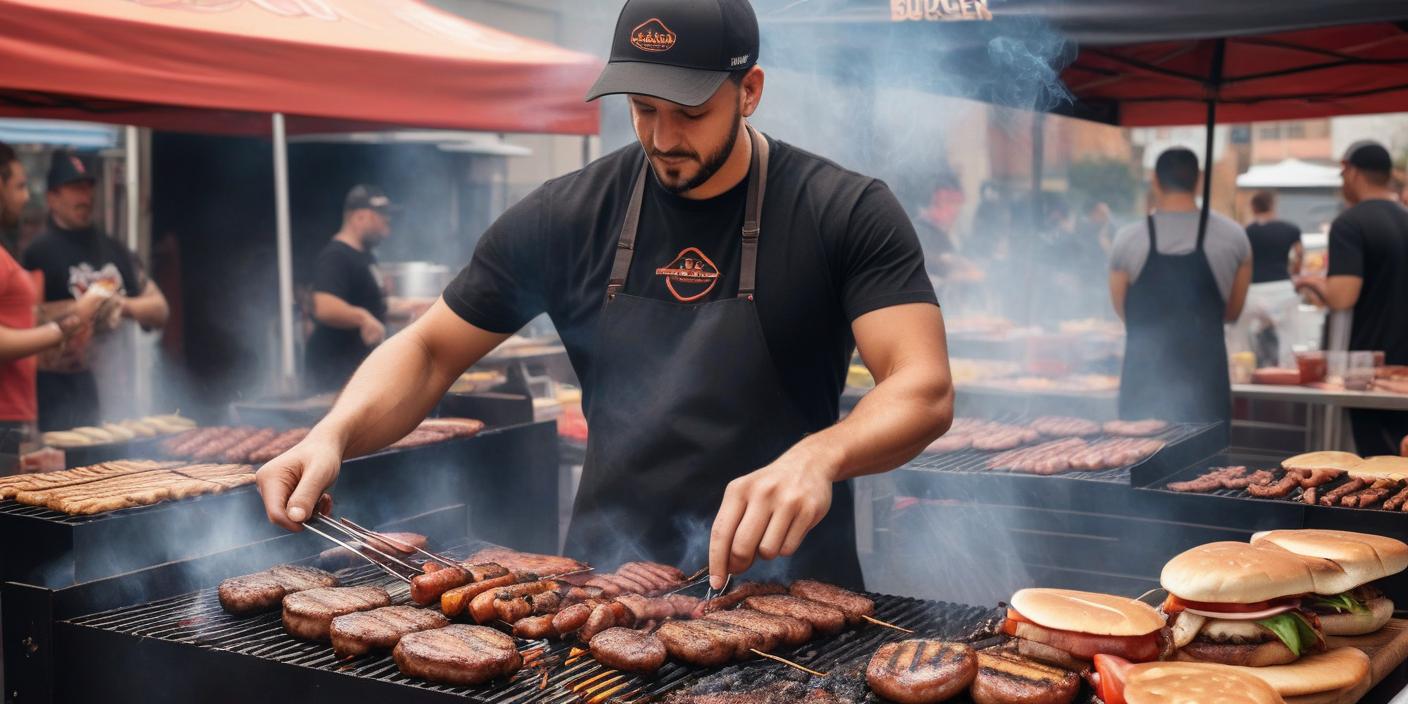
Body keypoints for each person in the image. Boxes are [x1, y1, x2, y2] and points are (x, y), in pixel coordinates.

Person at [257, 0, 954, 590]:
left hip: (791, 588)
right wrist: (333, 436)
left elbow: (922, 387)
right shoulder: (568, 215)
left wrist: (818, 457)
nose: (662, 136)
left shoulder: (844, 211)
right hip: (605, 592)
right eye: (642, 110)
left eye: (688, 111)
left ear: (749, 91)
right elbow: (431, 350)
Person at [1109, 148, 1252, 436]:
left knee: (1136, 467)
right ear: (1199, 179)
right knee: (1209, 474)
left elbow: (1122, 310)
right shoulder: (1235, 237)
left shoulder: (1127, 238)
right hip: (1206, 382)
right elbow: (1232, 311)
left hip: (1143, 381)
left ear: (1154, 180)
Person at [21, 151, 168, 430]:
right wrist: (78, 313)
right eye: (76, 189)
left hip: (117, 395)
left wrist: (122, 306)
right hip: (59, 397)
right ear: (52, 198)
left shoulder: (114, 249)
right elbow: (29, 323)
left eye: (89, 188)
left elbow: (159, 309)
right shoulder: (37, 253)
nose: (85, 197)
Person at [1304, 141, 1408, 457]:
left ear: (1352, 172)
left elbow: (1343, 296)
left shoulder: (1349, 223)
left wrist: (1311, 283)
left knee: (1378, 471)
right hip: (1404, 370)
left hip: (1369, 372)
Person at [304, 185, 430, 393]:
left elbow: (373, 303)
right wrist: (362, 318)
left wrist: (414, 306)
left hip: (357, 369)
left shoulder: (366, 256)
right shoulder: (336, 256)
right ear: (359, 217)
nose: (387, 227)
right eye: (382, 219)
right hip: (334, 372)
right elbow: (324, 306)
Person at [1240, 190, 1303, 365]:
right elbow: (1299, 255)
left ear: (1253, 207)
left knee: (1248, 343)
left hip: (1253, 290)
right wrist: (1293, 272)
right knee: (1287, 341)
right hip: (1282, 287)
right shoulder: (1291, 229)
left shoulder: (1245, 232)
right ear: (1273, 205)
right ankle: (1285, 377)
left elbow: (1241, 262)